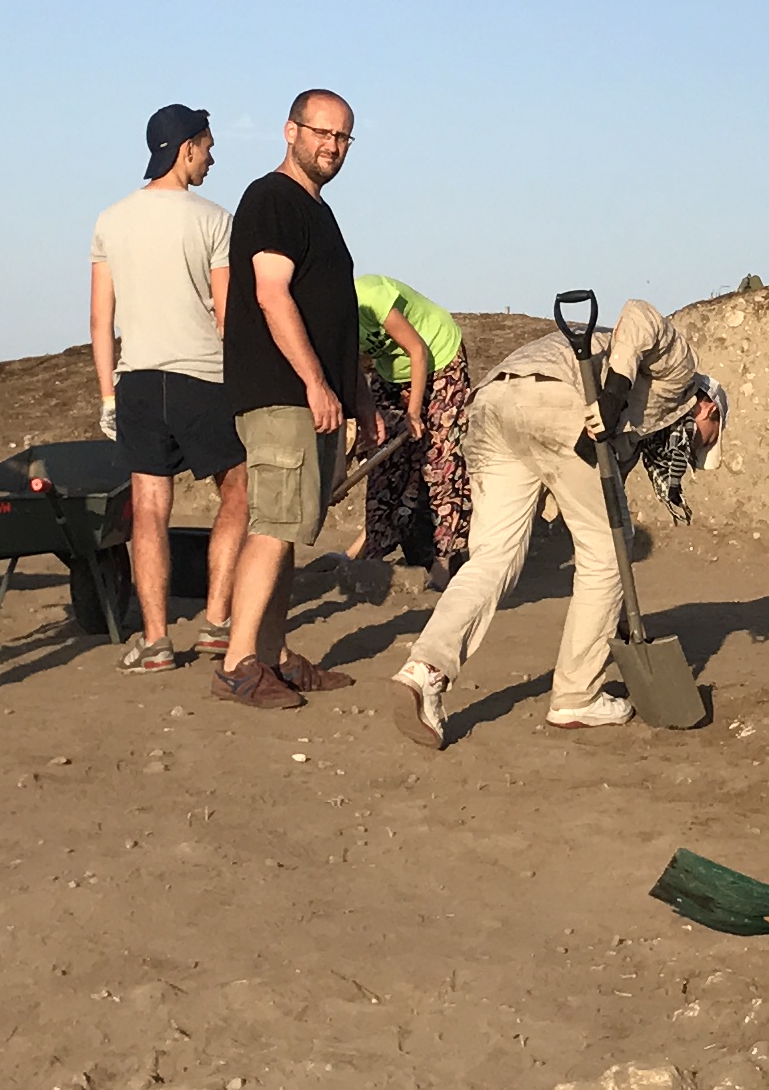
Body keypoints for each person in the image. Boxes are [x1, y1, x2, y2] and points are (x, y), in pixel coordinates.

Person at [386, 300, 720, 747]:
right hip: (556, 398)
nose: (685, 455)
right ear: (708, 411)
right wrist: (613, 392)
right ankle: (576, 696)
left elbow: (588, 490)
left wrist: (614, 625)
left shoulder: (631, 429)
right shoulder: (682, 375)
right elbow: (640, 315)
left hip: (494, 403)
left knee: (493, 558)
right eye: (701, 443)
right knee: (605, 552)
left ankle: (424, 671)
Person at [212, 90, 370, 713]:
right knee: (273, 526)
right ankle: (236, 665)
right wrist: (312, 381)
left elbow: (333, 315)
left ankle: (273, 656)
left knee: (289, 528)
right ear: (290, 131)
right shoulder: (272, 198)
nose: (331, 146)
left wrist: (356, 394)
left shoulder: (317, 212)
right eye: (321, 133)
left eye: (343, 138)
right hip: (281, 392)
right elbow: (273, 295)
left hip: (312, 398)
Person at [89, 103, 246, 671]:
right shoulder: (213, 219)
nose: (211, 156)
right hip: (201, 376)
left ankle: (156, 640)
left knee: (149, 508)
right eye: (207, 146)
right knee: (239, 490)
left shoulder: (110, 219)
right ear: (185, 149)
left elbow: (99, 320)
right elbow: (229, 317)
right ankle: (217, 622)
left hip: (136, 379)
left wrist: (108, 395)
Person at [351, 271, 476, 589]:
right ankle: (373, 553)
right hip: (391, 372)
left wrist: (414, 411)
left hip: (438, 357)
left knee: (439, 460)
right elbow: (350, 376)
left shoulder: (371, 296)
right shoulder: (326, 325)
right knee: (382, 458)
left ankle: (445, 559)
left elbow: (418, 351)